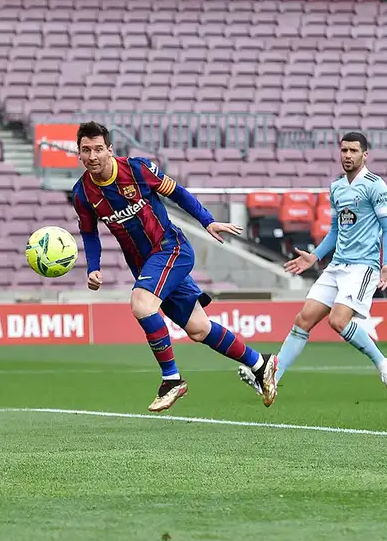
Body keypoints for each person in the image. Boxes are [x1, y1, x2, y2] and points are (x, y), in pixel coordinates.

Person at [71, 121, 277, 412]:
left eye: (98, 149)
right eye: (85, 150)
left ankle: (172, 379)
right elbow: (89, 232)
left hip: (171, 249)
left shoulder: (137, 170)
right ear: (78, 153)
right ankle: (260, 363)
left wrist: (208, 220)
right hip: (146, 264)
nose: (92, 156)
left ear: (110, 150)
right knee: (198, 328)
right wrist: (93, 266)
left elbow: (177, 193)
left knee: (142, 304)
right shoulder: (82, 194)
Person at [239, 132, 387, 402]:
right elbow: (335, 231)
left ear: (365, 154)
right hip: (337, 265)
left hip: (363, 267)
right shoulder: (337, 187)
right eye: (344, 150)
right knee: (303, 320)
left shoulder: (376, 186)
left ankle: (385, 364)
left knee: (338, 321)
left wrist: (386, 265)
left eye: (353, 151)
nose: (347, 155)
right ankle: (272, 381)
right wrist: (315, 257)